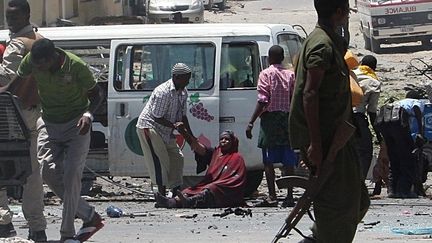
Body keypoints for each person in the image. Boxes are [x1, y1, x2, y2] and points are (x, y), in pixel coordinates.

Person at [1, 38, 105, 242]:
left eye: (42, 65)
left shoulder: (75, 66)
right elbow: (15, 86)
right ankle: (90, 216)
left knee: (72, 175)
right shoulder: (31, 60)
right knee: (47, 172)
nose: (38, 69)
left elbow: (97, 94)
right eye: (35, 65)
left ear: (53, 58)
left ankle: (67, 234)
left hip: (77, 125)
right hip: (49, 122)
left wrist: (89, 116)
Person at [288, 0, 370, 242]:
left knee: (358, 201)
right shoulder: (321, 45)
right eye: (345, 11)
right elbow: (310, 93)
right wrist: (315, 144)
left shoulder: (325, 40)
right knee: (338, 206)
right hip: (326, 140)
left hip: (339, 137)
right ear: (338, 12)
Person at [0, 0, 46, 241]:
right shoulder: (41, 40)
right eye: (9, 18)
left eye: (14, 18)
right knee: (32, 174)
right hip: (35, 115)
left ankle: (4, 222)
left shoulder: (17, 44)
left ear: (26, 15)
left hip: (12, 117)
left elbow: (4, 78)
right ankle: (37, 227)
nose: (11, 23)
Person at [246, 45, 297, 207]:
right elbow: (294, 98)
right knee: (288, 161)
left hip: (270, 121)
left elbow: (263, 100)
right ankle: (289, 196)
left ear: (269, 58)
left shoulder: (265, 74)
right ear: (282, 58)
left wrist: (251, 122)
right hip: (287, 120)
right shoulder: (291, 75)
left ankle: (273, 195)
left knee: (268, 162)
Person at [136, 63, 194, 197]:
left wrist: (191, 138)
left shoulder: (183, 92)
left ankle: (175, 192)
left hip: (165, 129)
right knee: (159, 160)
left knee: (177, 158)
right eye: (186, 78)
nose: (188, 81)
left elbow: (183, 117)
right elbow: (157, 117)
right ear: (177, 77)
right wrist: (175, 127)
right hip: (150, 126)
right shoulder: (163, 92)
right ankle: (161, 195)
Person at [154, 130, 247, 208]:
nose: (223, 141)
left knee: (210, 188)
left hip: (227, 190)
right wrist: (184, 131)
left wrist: (220, 183)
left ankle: (189, 202)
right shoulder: (215, 153)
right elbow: (198, 148)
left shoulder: (237, 157)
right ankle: (171, 202)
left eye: (227, 139)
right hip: (212, 185)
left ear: (233, 142)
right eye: (221, 139)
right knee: (190, 190)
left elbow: (236, 179)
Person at [378, 90, 428, 198]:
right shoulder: (416, 102)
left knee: (394, 158)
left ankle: (392, 190)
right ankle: (404, 191)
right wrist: (420, 132)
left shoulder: (399, 102)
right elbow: (417, 110)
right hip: (399, 128)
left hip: (385, 127)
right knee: (408, 159)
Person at [352, 55, 382, 179]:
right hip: (357, 119)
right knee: (365, 151)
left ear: (361, 63)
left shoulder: (350, 74)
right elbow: (372, 112)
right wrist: (379, 135)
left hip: (339, 116)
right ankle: (359, 182)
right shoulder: (374, 82)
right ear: (374, 68)